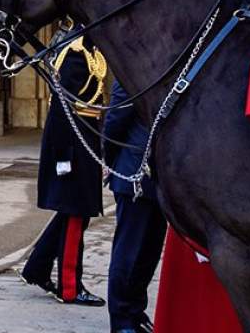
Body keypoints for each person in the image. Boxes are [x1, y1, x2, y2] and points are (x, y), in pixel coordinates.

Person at [20, 34, 107, 306]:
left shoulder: (93, 48)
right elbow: (61, 109)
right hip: (72, 144)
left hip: (86, 138)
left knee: (75, 212)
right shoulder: (75, 52)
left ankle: (37, 267)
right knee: (75, 216)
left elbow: (94, 105)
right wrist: (63, 158)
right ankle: (69, 287)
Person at [103, 81, 165, 333]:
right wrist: (108, 159)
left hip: (162, 178)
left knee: (148, 252)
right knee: (129, 252)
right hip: (134, 173)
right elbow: (116, 119)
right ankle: (121, 320)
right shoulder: (128, 69)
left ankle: (136, 311)